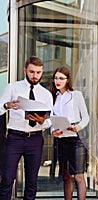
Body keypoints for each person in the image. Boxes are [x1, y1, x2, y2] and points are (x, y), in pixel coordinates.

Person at [0, 55, 53, 200]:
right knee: (7, 179)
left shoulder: (46, 94)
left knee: (32, 181)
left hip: (35, 139)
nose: (35, 76)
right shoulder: (12, 87)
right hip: (14, 138)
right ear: (25, 70)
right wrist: (7, 105)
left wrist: (42, 121)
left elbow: (50, 120)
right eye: (32, 72)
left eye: (38, 72)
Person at [50, 66, 89, 200]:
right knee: (66, 175)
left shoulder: (76, 95)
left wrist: (78, 127)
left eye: (61, 78)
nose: (58, 81)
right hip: (61, 139)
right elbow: (51, 119)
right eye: (55, 78)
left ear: (67, 80)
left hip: (77, 139)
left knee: (78, 176)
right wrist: (52, 131)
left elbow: (86, 117)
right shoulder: (52, 97)